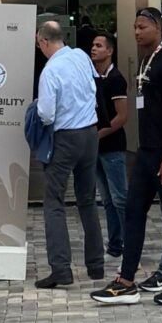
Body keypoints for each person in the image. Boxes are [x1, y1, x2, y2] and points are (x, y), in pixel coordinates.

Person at [93, 9, 162, 306]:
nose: (137, 32)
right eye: (134, 27)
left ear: (158, 28)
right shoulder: (145, 61)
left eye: (142, 27)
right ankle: (126, 281)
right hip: (147, 151)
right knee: (134, 211)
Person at [34, 16, 105, 290]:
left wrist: (37, 109)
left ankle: (61, 269)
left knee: (54, 202)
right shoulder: (80, 56)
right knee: (87, 200)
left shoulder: (50, 71)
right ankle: (96, 265)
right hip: (90, 134)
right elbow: (91, 86)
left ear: (43, 41)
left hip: (65, 138)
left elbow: (46, 113)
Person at [89, 30, 132, 260]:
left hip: (112, 147)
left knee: (119, 198)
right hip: (96, 148)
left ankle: (130, 242)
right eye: (92, 45)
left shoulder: (116, 79)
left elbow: (122, 116)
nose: (94, 49)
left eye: (98, 45)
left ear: (110, 50)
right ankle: (115, 244)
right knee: (106, 200)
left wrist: (99, 134)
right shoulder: (93, 77)